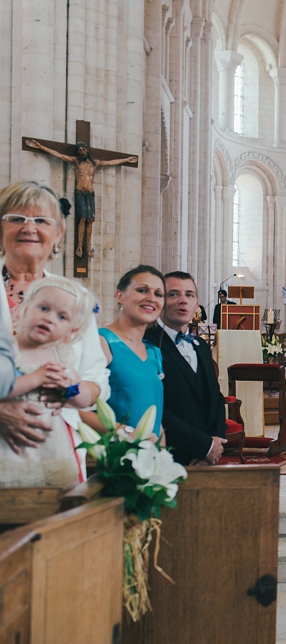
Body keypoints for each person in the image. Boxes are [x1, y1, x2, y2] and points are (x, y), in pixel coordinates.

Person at [0, 180, 110, 456]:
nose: (29, 228)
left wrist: (72, 387)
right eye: (16, 219)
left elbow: (96, 377)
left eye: (41, 220)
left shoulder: (74, 298)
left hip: (58, 446)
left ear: (58, 234)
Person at [0, 276, 101, 487]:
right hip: (9, 446)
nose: (49, 318)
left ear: (71, 331)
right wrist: (37, 378)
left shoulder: (62, 357)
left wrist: (70, 389)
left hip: (51, 447)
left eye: (62, 317)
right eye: (43, 308)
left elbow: (82, 401)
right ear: (25, 309)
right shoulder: (9, 350)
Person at [144, 271, 226, 465]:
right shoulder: (147, 344)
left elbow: (215, 397)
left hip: (207, 458)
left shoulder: (201, 345)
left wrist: (216, 441)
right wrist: (202, 446)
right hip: (168, 454)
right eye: (173, 294)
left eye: (189, 295)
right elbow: (155, 407)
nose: (183, 300)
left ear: (197, 304)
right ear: (160, 301)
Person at [24, 140, 137, 257]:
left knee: (91, 219)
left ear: (87, 150)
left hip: (90, 193)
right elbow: (58, 154)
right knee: (82, 218)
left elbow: (110, 162)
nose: (82, 152)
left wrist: (126, 160)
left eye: (83, 149)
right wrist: (40, 146)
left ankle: (88, 247)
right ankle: (79, 246)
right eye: (80, 151)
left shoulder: (94, 163)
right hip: (80, 192)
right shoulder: (76, 161)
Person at [95, 266, 165, 435]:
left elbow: (155, 414)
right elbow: (77, 408)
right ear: (120, 295)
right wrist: (127, 434)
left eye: (158, 294)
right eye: (142, 290)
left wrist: (161, 452)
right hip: (114, 453)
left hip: (149, 454)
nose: (151, 298)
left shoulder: (154, 352)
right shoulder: (102, 342)